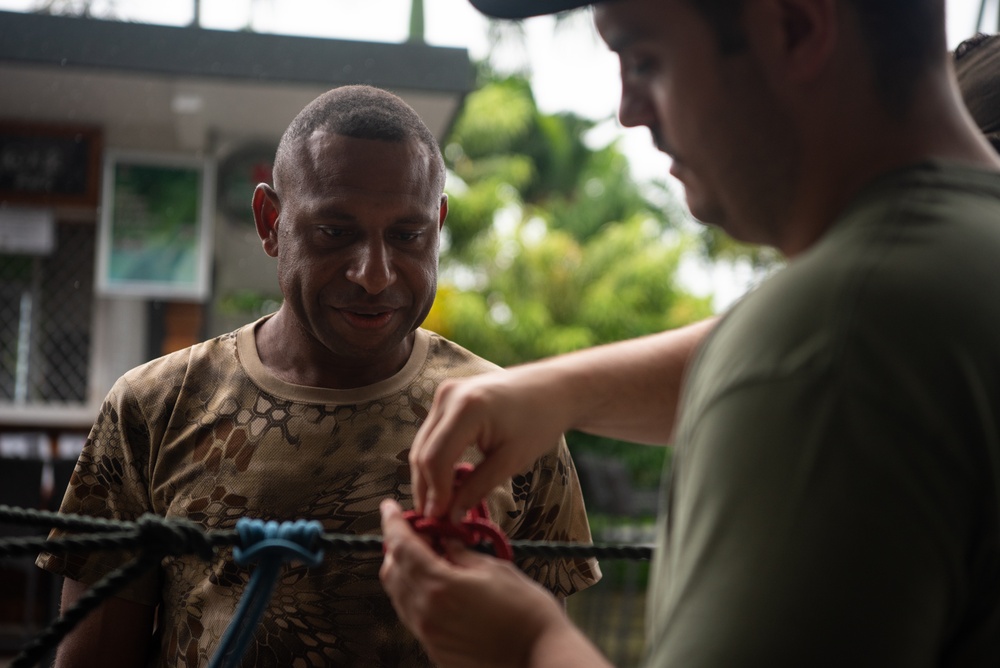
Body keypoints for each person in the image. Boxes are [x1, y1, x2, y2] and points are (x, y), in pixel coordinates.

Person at [379, 1, 1000, 666]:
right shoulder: (947, 276)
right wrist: (560, 392)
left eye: (645, 59)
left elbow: (824, 353)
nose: (628, 110)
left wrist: (528, 644)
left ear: (795, 25)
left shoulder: (831, 346)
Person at [36, 84, 599, 667]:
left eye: (408, 236)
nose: (374, 274)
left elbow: (539, 647)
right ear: (270, 222)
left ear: (439, 223)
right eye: (336, 232)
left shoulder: (509, 423)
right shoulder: (154, 406)